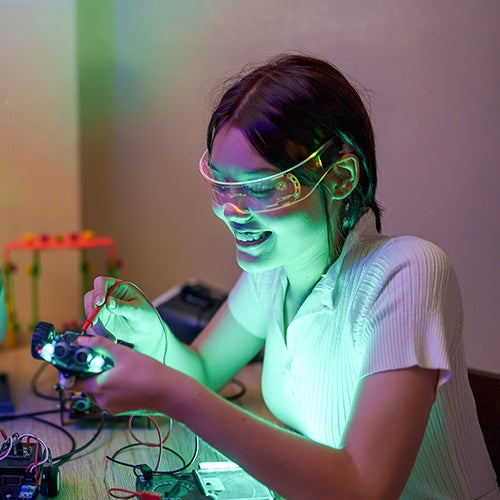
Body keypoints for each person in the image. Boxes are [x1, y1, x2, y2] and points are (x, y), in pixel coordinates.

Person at [76, 54, 498, 499]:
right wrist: (149, 331)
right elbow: (201, 374)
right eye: (222, 184)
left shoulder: (407, 272)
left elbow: (363, 488)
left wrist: (172, 394)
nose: (231, 211)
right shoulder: (275, 272)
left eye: (261, 187)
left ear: (340, 177)